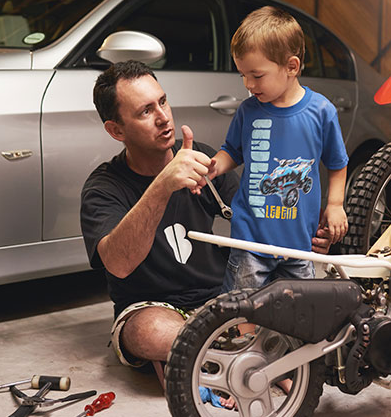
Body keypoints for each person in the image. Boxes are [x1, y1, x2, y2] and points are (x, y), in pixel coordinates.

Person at [79, 60, 332, 403]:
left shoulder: (201, 159)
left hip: (220, 297)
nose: (163, 117)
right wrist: (162, 185)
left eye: (163, 102)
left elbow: (257, 223)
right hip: (155, 308)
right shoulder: (104, 187)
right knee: (148, 332)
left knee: (291, 293)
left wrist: (303, 234)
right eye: (145, 111)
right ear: (117, 130)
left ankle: (206, 360)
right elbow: (119, 264)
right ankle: (241, 353)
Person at [210, 6, 349, 293]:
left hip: (300, 246)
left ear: (291, 67)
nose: (249, 85)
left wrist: (335, 205)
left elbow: (337, 164)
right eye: (243, 76)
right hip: (250, 241)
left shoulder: (321, 111)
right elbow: (232, 151)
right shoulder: (249, 111)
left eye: (257, 75)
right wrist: (214, 166)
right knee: (241, 314)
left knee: (300, 320)